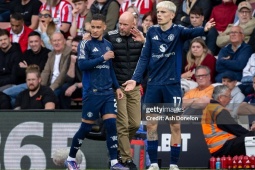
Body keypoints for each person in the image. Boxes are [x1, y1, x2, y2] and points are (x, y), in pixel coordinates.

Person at [122, 1, 216, 170]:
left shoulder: (178, 31)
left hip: (172, 86)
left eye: (163, 12)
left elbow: (192, 32)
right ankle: (153, 165)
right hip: (154, 85)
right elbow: (144, 57)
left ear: (172, 15)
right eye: (158, 11)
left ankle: (173, 164)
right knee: (151, 125)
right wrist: (135, 79)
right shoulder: (151, 32)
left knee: (175, 125)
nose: (159, 14)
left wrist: (205, 29)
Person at [64, 14, 127, 170]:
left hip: (107, 93)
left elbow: (110, 69)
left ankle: (114, 163)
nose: (95, 30)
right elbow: (83, 65)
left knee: (112, 125)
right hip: (92, 92)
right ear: (89, 26)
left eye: (98, 27)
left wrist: (117, 87)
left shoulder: (108, 45)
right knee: (85, 128)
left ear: (104, 27)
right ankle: (71, 158)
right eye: (93, 27)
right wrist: (102, 58)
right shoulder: (85, 44)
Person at [104, 11, 145, 170]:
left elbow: (152, 54)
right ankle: (126, 159)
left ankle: (115, 150)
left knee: (134, 123)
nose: (121, 27)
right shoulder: (111, 36)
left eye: (125, 24)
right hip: (118, 87)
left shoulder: (141, 37)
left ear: (133, 24)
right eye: (120, 23)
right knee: (123, 123)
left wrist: (144, 41)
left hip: (134, 86)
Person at [201, 85, 255, 157]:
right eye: (228, 96)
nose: (230, 99)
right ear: (220, 97)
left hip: (218, 148)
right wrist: (250, 134)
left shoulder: (210, 108)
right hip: (224, 147)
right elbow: (235, 129)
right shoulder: (218, 110)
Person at [3, 31, 51, 107]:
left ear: (41, 42)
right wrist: (32, 68)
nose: (33, 44)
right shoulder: (26, 53)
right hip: (24, 83)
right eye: (31, 42)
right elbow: (19, 72)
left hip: (39, 83)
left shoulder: (48, 53)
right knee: (9, 97)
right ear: (28, 43)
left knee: (5, 92)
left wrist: (27, 67)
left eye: (36, 41)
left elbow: (40, 71)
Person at [58, 36, 83, 109]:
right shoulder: (71, 56)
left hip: (87, 86)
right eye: (72, 45)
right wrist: (72, 63)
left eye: (76, 46)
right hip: (76, 85)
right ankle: (65, 114)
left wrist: (75, 86)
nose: (73, 48)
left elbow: (91, 80)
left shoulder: (88, 58)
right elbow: (69, 79)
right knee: (64, 88)